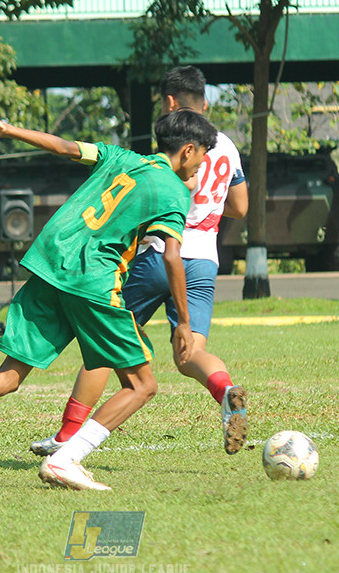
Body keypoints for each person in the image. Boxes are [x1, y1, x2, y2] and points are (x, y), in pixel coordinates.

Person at [0, 108, 218, 492]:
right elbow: (171, 256)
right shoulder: (174, 191)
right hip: (93, 278)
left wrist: (7, 129)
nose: (203, 164)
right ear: (189, 150)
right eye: (203, 155)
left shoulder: (121, 157)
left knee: (9, 375)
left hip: (50, 262)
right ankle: (65, 459)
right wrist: (182, 320)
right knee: (142, 386)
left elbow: (63, 147)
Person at [29, 65, 251, 459]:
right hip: (203, 259)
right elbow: (240, 206)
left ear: (169, 102)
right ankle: (226, 391)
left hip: (156, 255)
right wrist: (209, 212)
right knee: (189, 354)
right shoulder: (226, 146)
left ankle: (67, 434)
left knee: (104, 341)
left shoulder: (169, 152)